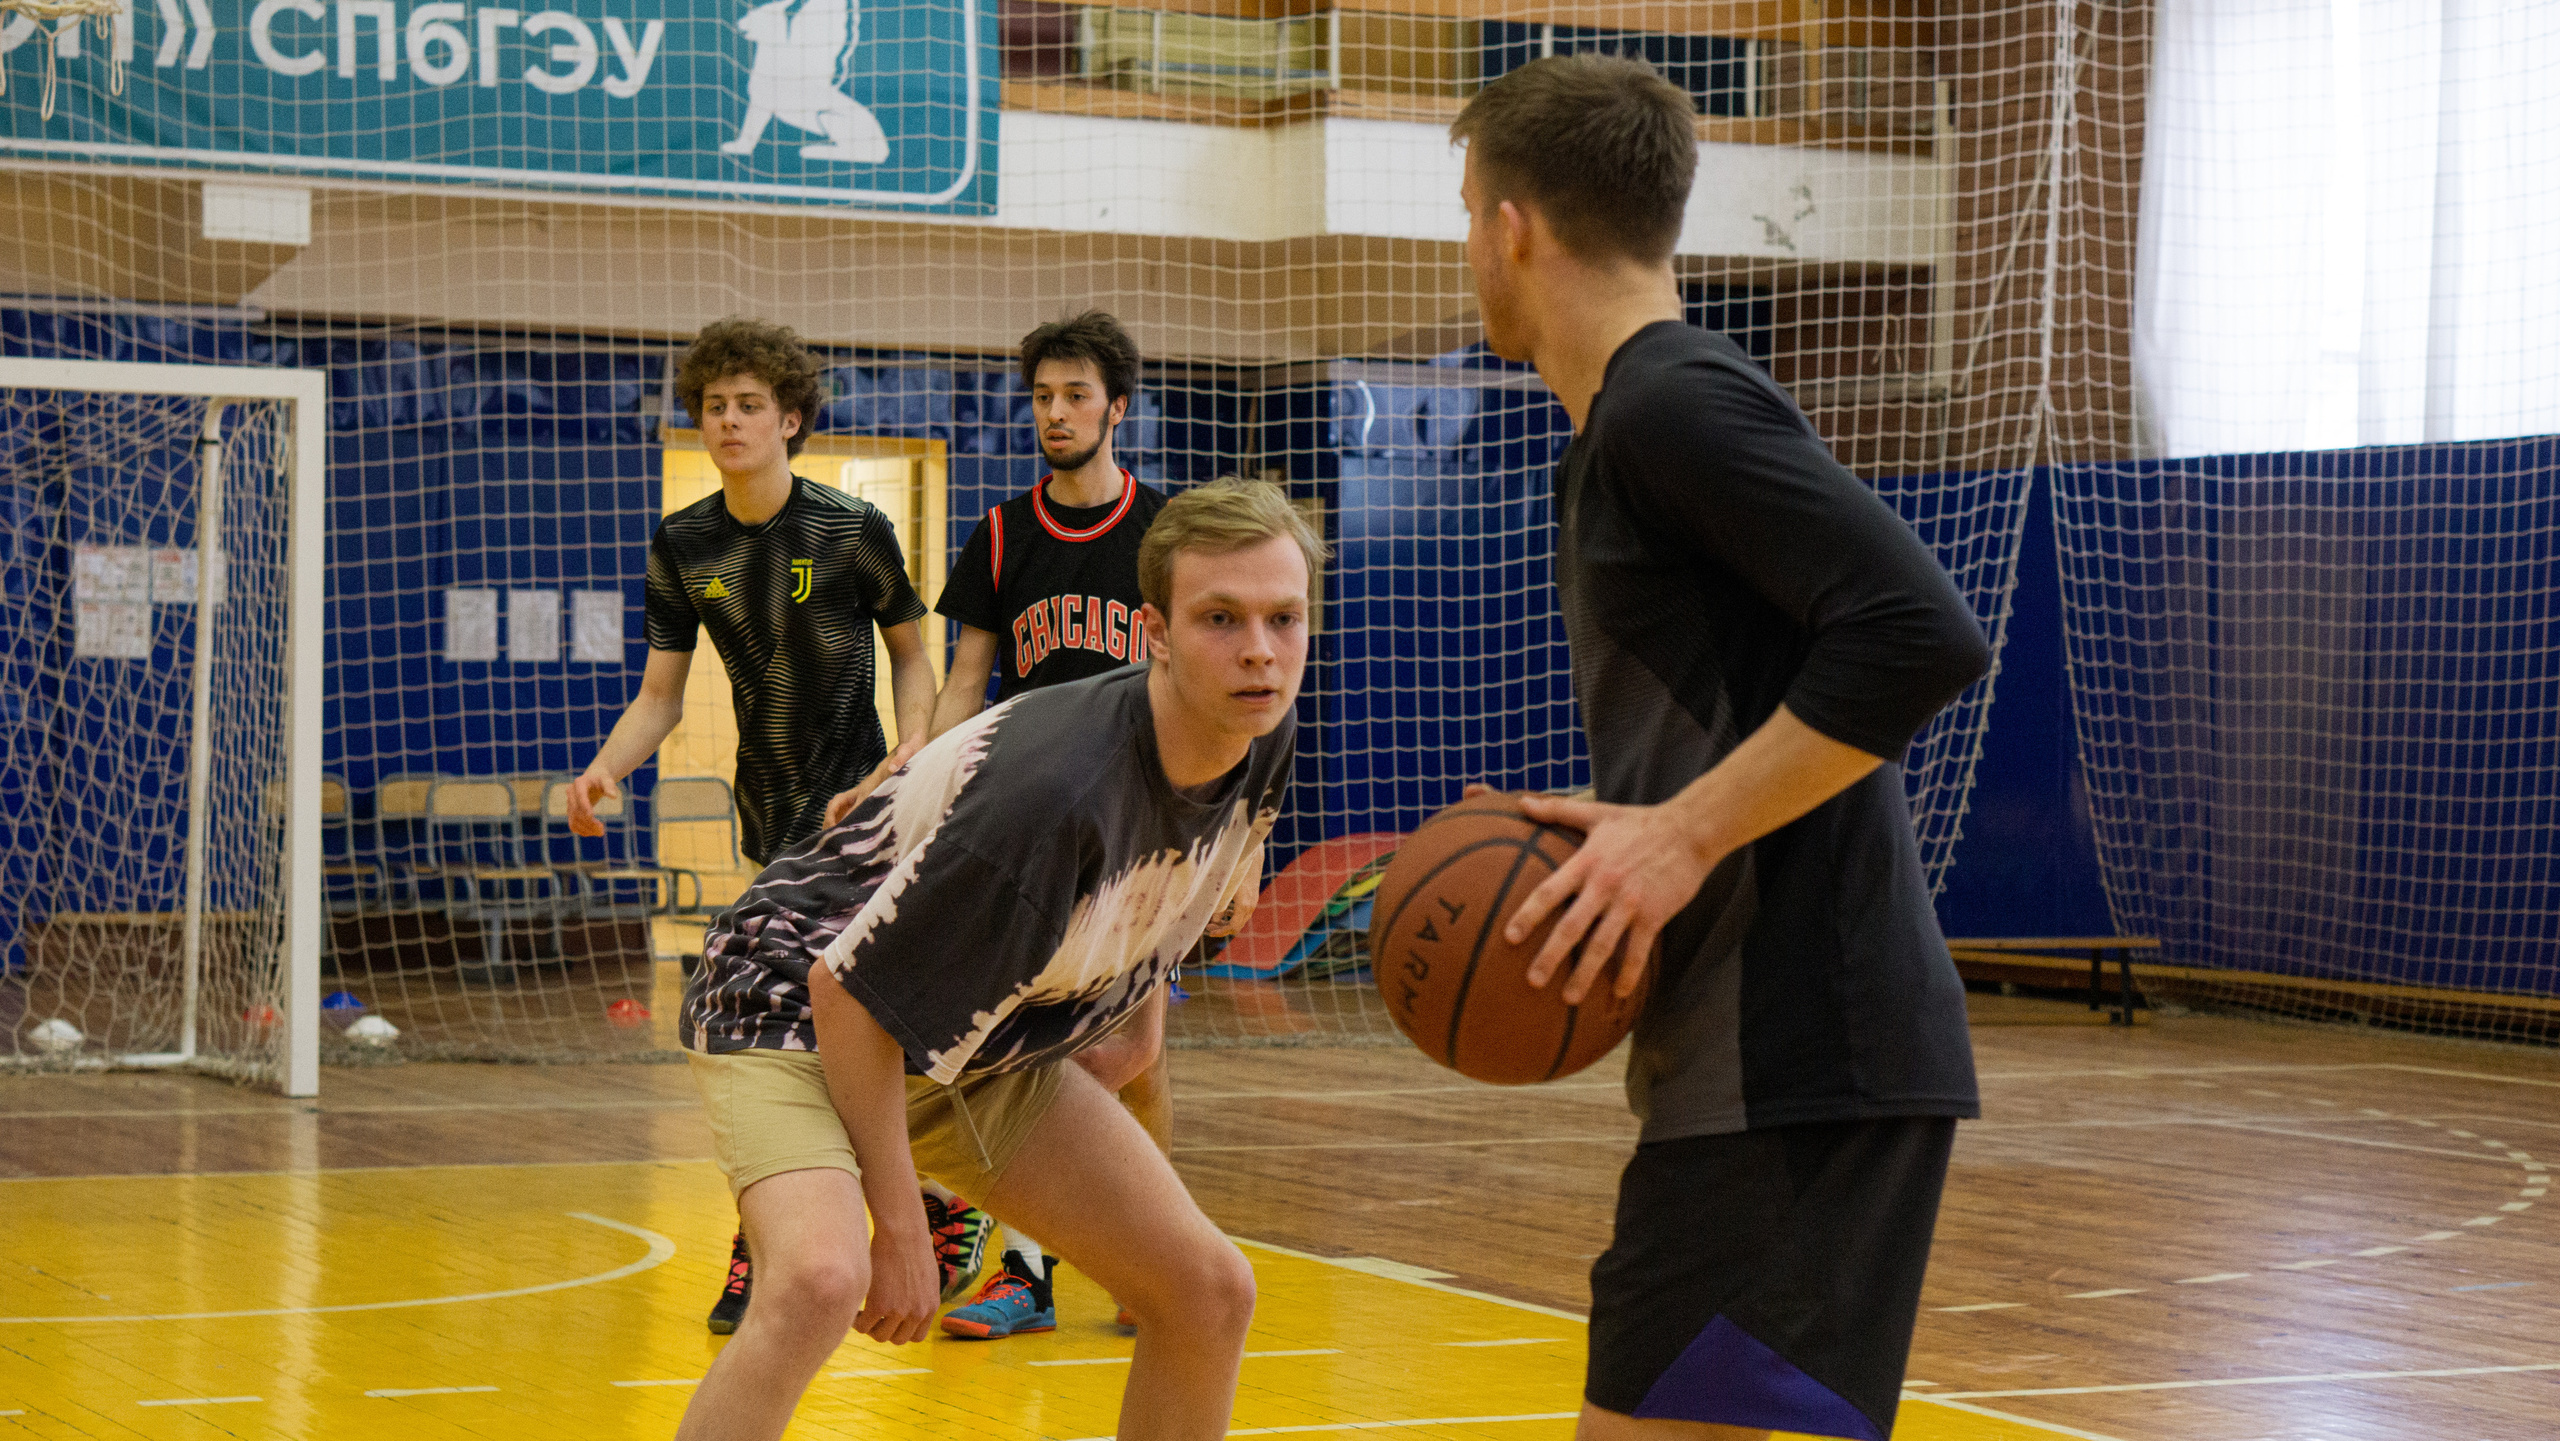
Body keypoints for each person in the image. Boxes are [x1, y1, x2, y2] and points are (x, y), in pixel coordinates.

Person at [1450, 56, 1992, 1441]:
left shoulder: (1671, 401)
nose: (1470, 255)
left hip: (1801, 1050)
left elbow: (1922, 631)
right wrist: (1627, 817)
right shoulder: (1629, 424)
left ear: (1513, 226)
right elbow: (1763, 700)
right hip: (1763, 1062)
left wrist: (1680, 833)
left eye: (1466, 219)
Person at [673, 478, 1321, 1441]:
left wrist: (1136, 1028)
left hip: (968, 1036)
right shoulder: (1053, 793)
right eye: (1220, 618)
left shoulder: (1256, 729)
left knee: (1207, 1291)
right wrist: (903, 1223)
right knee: (818, 1280)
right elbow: (846, 991)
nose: (1260, 650)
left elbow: (1171, 887)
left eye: (1283, 617)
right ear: (1154, 631)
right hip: (794, 1002)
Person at [561, 316, 939, 1336]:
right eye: (714, 407)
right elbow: (660, 694)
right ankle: (830, 1223)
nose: (729, 421)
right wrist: (604, 769)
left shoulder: (852, 528)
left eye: (749, 406)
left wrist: (913, 751)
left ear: (791, 420)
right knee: (798, 1037)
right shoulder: (685, 542)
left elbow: (913, 657)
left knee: (819, 1027)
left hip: (860, 814)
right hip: (768, 815)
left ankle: (822, 1232)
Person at [913, 310, 1176, 1340]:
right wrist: (927, 787)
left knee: (1136, 1059)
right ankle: (1036, 1269)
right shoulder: (999, 533)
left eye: (1076, 395)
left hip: (1142, 826)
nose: (1055, 412)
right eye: (1042, 396)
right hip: (1029, 825)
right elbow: (966, 681)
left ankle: (1146, 1262)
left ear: (1118, 408)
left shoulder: (1166, 535)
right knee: (1048, 1046)